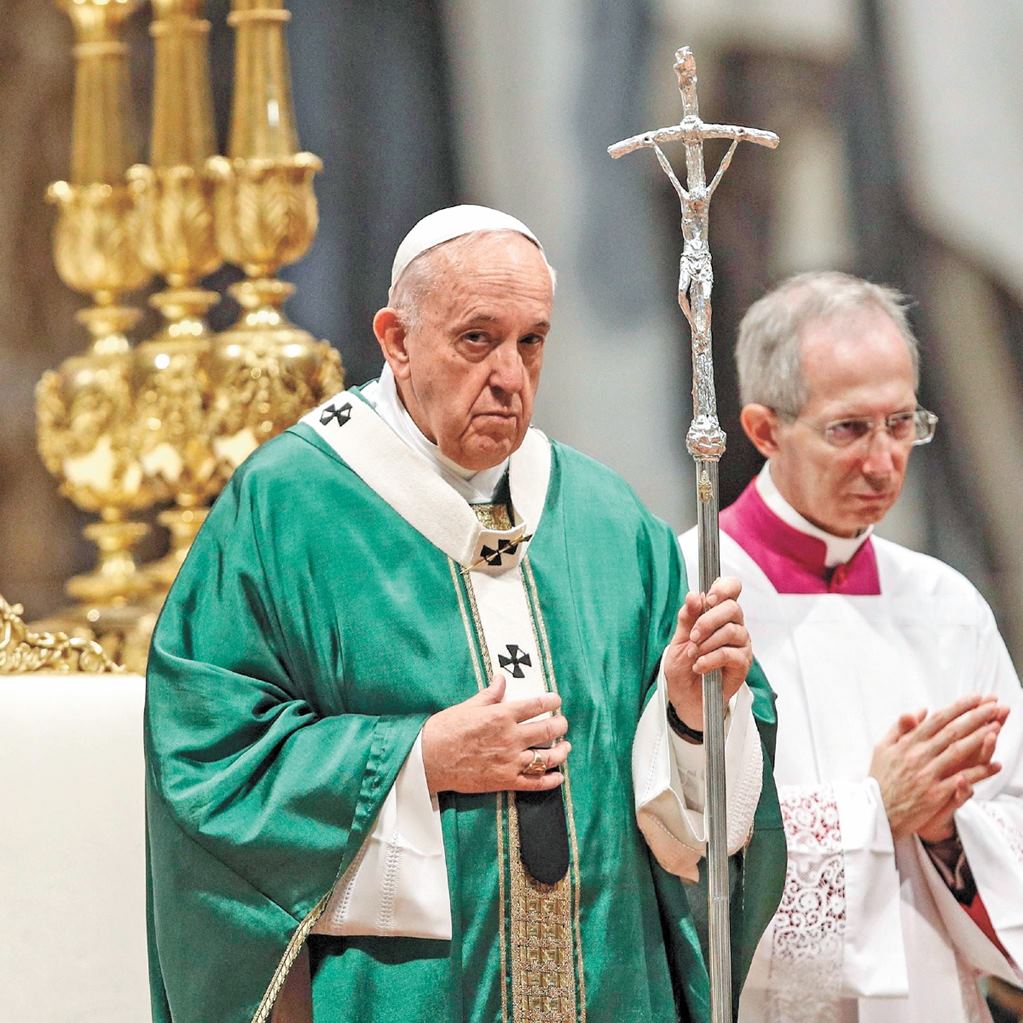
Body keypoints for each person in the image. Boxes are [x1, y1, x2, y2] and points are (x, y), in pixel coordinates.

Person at [144, 205, 786, 1023]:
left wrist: (692, 720)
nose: (510, 375)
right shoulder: (289, 506)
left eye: (532, 340)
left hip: (612, 981)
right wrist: (415, 757)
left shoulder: (606, 519)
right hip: (402, 992)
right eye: (476, 339)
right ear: (396, 339)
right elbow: (205, 755)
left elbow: (705, 821)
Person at [680, 271, 1023, 1023]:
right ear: (764, 429)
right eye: (849, 428)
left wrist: (944, 830)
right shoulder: (688, 595)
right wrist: (872, 811)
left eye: (900, 423)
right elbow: (676, 845)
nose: (882, 460)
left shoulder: (946, 606)